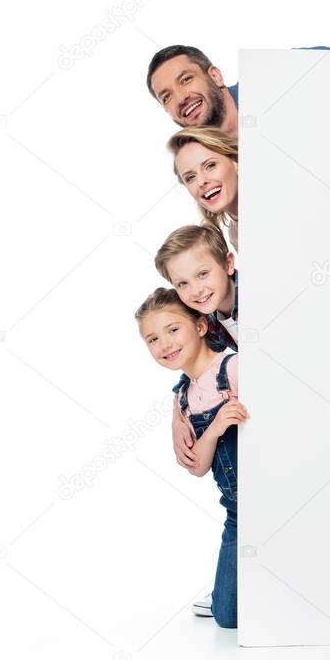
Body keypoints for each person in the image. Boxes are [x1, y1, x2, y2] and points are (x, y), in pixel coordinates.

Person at [134, 287, 248, 628]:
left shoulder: (233, 368)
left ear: (200, 327)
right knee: (227, 619)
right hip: (238, 516)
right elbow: (198, 466)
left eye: (172, 330)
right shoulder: (184, 396)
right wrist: (214, 429)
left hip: (272, 504)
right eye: (152, 339)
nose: (164, 345)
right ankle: (225, 592)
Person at [155, 223, 239, 618]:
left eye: (203, 275)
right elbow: (203, 360)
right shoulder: (212, 321)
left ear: (229, 263)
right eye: (183, 283)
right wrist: (180, 405)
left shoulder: (251, 303)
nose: (196, 290)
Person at [146, 32, 330, 135]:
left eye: (186, 80)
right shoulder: (200, 170)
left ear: (215, 76)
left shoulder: (284, 77)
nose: (181, 97)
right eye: (166, 97)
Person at [167, 127, 239, 251]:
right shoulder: (234, 233)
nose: (201, 182)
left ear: (236, 161)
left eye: (210, 166)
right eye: (190, 178)